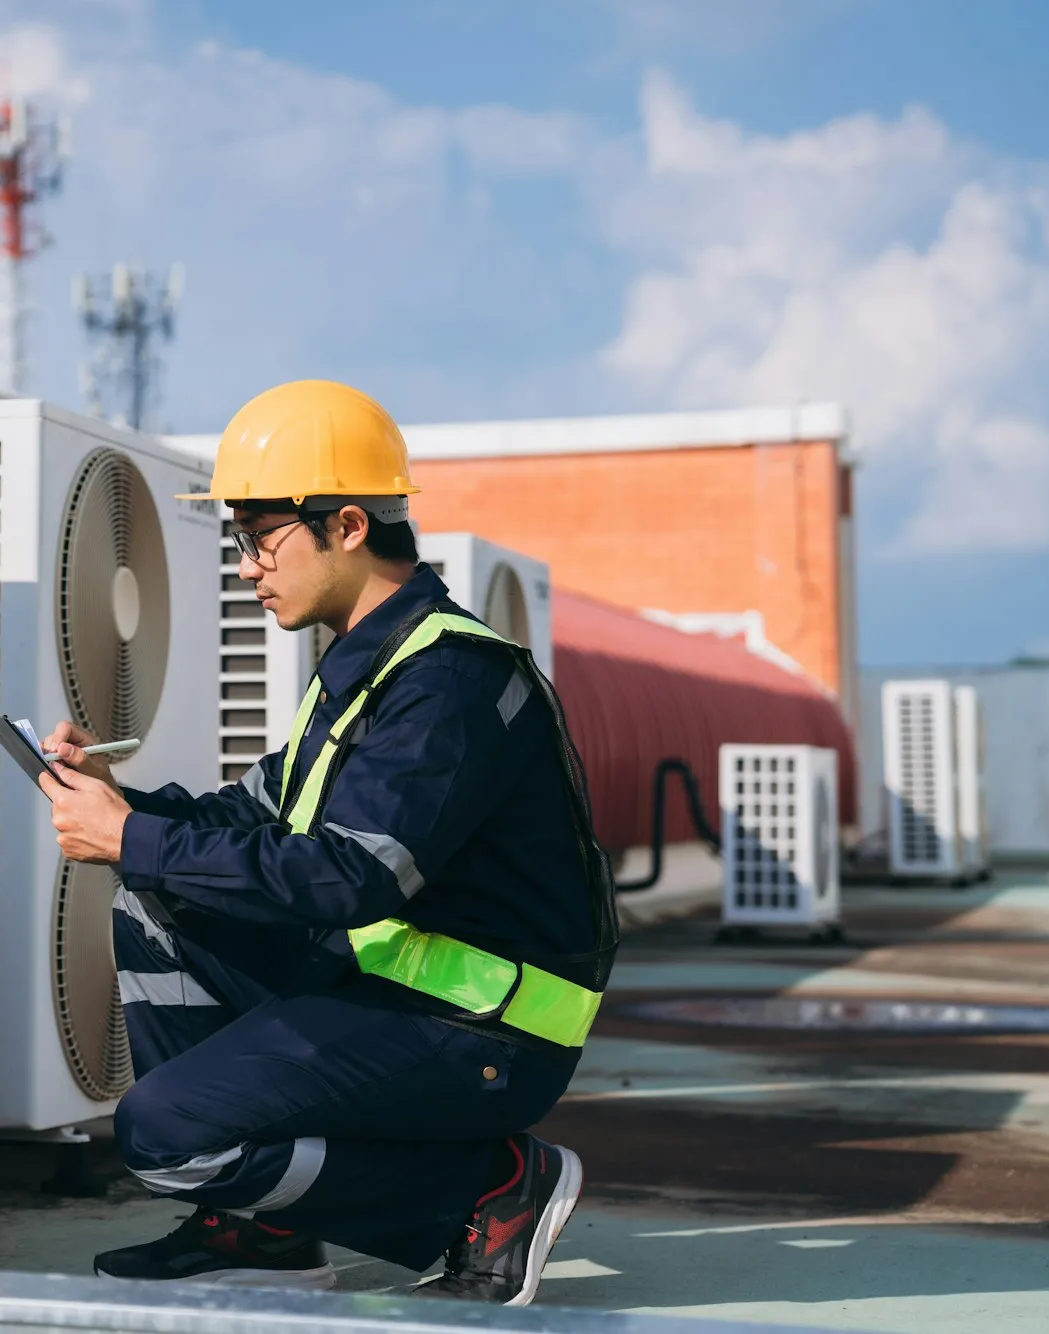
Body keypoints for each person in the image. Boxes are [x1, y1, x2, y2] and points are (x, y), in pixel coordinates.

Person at [35, 380, 619, 1306]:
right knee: (153, 898)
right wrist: (119, 810)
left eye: (260, 538)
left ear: (346, 526)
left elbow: (354, 877)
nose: (246, 568)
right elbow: (253, 815)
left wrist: (131, 837)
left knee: (162, 1134)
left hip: (487, 1032)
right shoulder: (367, 668)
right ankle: (263, 1230)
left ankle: (492, 1194)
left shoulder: (449, 680)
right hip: (395, 993)